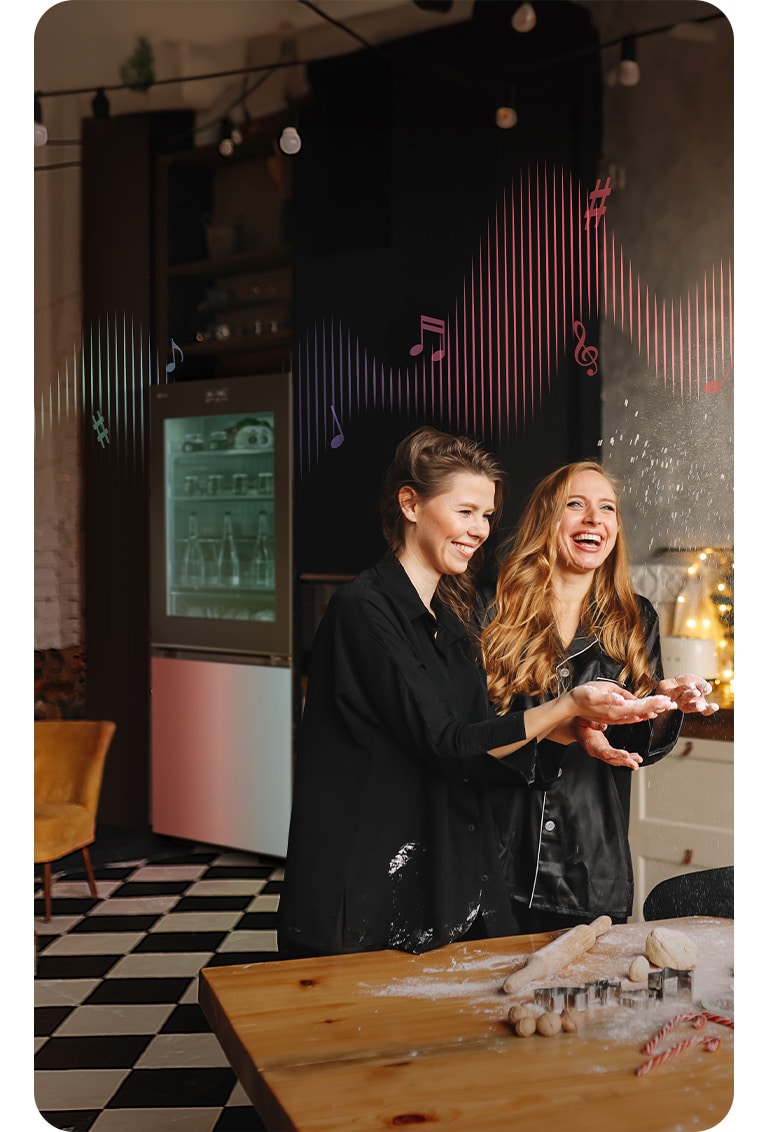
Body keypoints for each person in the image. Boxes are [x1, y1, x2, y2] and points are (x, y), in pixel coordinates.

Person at [277, 431, 676, 958]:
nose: (479, 531)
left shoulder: (448, 618)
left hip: (433, 880)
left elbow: (479, 747)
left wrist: (571, 733)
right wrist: (567, 707)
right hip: (359, 889)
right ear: (410, 503)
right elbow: (448, 742)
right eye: (466, 511)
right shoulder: (364, 610)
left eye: (486, 516)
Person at [480, 459, 718, 933]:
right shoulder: (490, 607)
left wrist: (661, 704)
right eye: (576, 505)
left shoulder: (635, 618)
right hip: (494, 855)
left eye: (606, 508)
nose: (594, 519)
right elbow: (468, 737)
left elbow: (633, 751)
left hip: (587, 864)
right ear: (547, 519)